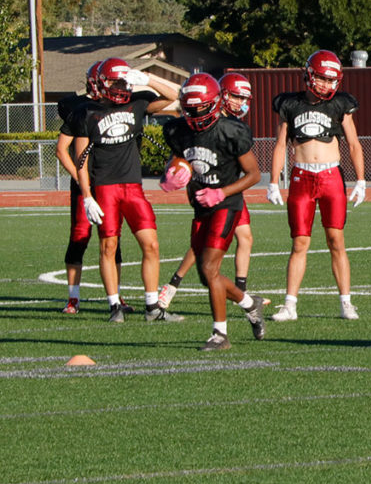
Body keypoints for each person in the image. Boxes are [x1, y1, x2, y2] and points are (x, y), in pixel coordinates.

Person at [161, 73, 266, 350]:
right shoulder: (178, 130)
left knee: (209, 268)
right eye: (190, 110)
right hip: (200, 206)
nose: (195, 115)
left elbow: (254, 174)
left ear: (216, 103)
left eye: (201, 109)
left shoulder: (230, 130)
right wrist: (169, 178)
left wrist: (222, 192)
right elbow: (178, 161)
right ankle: (249, 302)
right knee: (207, 276)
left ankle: (220, 334)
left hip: (225, 204)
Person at [70, 58, 179, 323]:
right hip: (105, 188)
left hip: (133, 187)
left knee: (151, 244)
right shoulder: (86, 112)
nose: (120, 86)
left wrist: (148, 78)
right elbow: (81, 160)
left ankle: (153, 307)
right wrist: (86, 196)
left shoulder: (137, 103)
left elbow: (177, 96)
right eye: (115, 81)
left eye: (123, 81)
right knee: (108, 246)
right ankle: (114, 306)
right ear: (100, 83)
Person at [266, 49, 366, 322]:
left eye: (331, 80)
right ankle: (290, 304)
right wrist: (273, 182)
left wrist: (361, 180)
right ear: (309, 75)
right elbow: (279, 145)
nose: (326, 85)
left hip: (331, 176)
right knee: (299, 242)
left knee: (336, 240)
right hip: (302, 176)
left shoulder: (340, 104)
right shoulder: (289, 104)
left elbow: (354, 144)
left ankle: (346, 302)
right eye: (321, 78)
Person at [55, 62, 123, 314]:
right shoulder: (78, 108)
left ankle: (117, 295)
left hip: (110, 181)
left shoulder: (119, 106)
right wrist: (80, 180)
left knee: (113, 240)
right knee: (80, 236)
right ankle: (73, 297)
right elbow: (62, 150)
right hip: (87, 184)